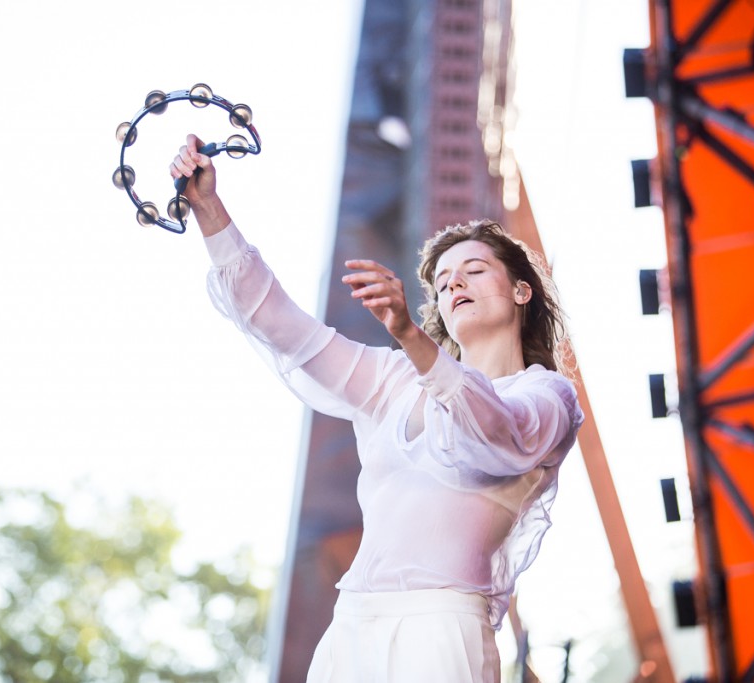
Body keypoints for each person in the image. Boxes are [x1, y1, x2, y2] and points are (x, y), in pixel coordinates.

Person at [170, 134, 584, 683]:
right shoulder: (394, 381)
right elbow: (284, 328)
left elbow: (492, 436)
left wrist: (411, 336)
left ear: (521, 292)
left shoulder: (546, 397)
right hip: (351, 627)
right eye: (441, 281)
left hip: (440, 625)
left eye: (475, 270)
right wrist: (209, 210)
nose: (454, 281)